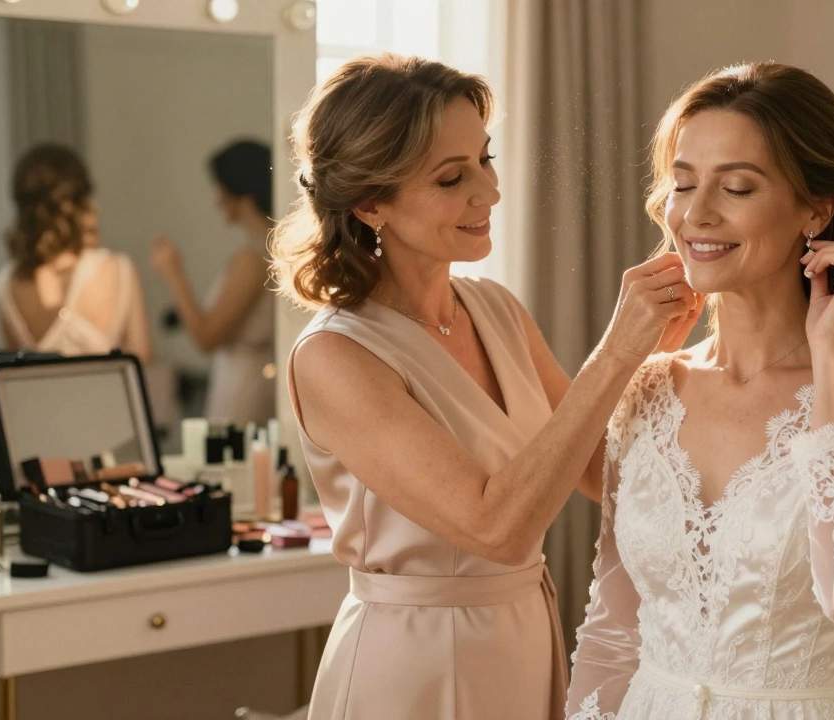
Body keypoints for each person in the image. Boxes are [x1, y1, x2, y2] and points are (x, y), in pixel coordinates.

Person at [271, 54, 703, 719]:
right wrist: (616, 350)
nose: (489, 191)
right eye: (452, 177)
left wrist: (655, 355)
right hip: (416, 664)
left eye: (485, 158)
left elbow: (597, 468)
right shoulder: (336, 355)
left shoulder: (494, 308)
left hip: (524, 639)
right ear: (370, 203)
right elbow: (496, 526)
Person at [566, 61, 834, 720]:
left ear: (815, 208)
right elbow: (611, 627)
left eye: (736, 187)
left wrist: (831, 362)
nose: (697, 214)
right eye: (683, 183)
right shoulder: (649, 386)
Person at [151, 139, 276, 424]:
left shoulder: (253, 259)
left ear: (239, 190)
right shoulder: (270, 248)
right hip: (251, 382)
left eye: (221, 187)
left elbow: (207, 337)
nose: (217, 199)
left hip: (243, 393)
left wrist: (173, 274)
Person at [0, 144, 152, 363]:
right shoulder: (115, 268)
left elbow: (12, 369)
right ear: (75, 202)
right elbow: (142, 357)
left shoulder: (5, 284)